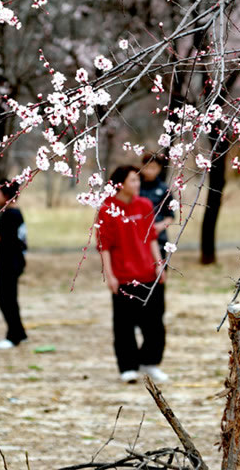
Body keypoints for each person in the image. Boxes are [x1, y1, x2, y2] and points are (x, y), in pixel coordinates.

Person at [97, 165, 167, 384]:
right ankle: (127, 367)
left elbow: (153, 237)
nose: (137, 184)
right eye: (133, 181)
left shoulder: (145, 204)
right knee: (124, 325)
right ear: (120, 184)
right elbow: (104, 246)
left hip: (148, 274)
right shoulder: (107, 209)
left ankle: (149, 362)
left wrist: (159, 264)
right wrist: (110, 275)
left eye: (138, 180)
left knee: (155, 324)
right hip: (124, 276)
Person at [0, 180, 28, 349]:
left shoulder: (10, 215)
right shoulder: (15, 213)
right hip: (14, 262)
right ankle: (19, 332)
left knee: (3, 296)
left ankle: (13, 335)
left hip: (10, 263)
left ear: (6, 195)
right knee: (9, 297)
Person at [139, 153, 175, 257]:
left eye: (153, 168)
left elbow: (170, 216)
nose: (149, 171)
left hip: (159, 236)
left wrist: (158, 227)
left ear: (159, 169)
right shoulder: (136, 186)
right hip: (138, 235)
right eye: (147, 167)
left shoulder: (164, 189)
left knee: (160, 267)